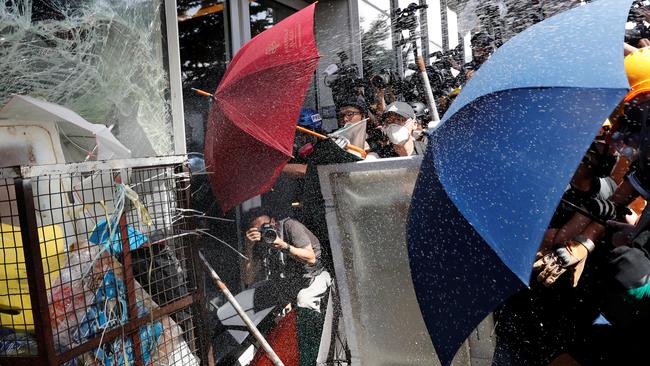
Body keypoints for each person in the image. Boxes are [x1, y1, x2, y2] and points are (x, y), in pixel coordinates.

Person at [242, 208, 331, 312]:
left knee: (304, 300)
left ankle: (311, 327)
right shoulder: (257, 243)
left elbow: (311, 259)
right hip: (287, 283)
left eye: (264, 227)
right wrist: (248, 247)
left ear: (273, 222)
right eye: (257, 231)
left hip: (314, 277)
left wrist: (284, 246)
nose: (262, 233)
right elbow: (248, 279)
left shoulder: (290, 227)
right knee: (249, 297)